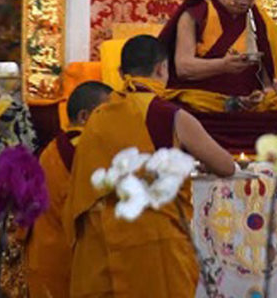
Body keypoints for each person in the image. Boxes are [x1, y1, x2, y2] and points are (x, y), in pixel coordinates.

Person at [66, 35, 237, 298]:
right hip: (152, 246)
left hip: (101, 246)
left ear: (122, 73)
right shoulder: (171, 115)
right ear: (161, 69)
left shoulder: (98, 117)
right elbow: (226, 166)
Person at [26, 80, 112, 298]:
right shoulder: (81, 149)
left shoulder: (53, 148)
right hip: (67, 261)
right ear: (84, 117)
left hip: (44, 255)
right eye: (108, 113)